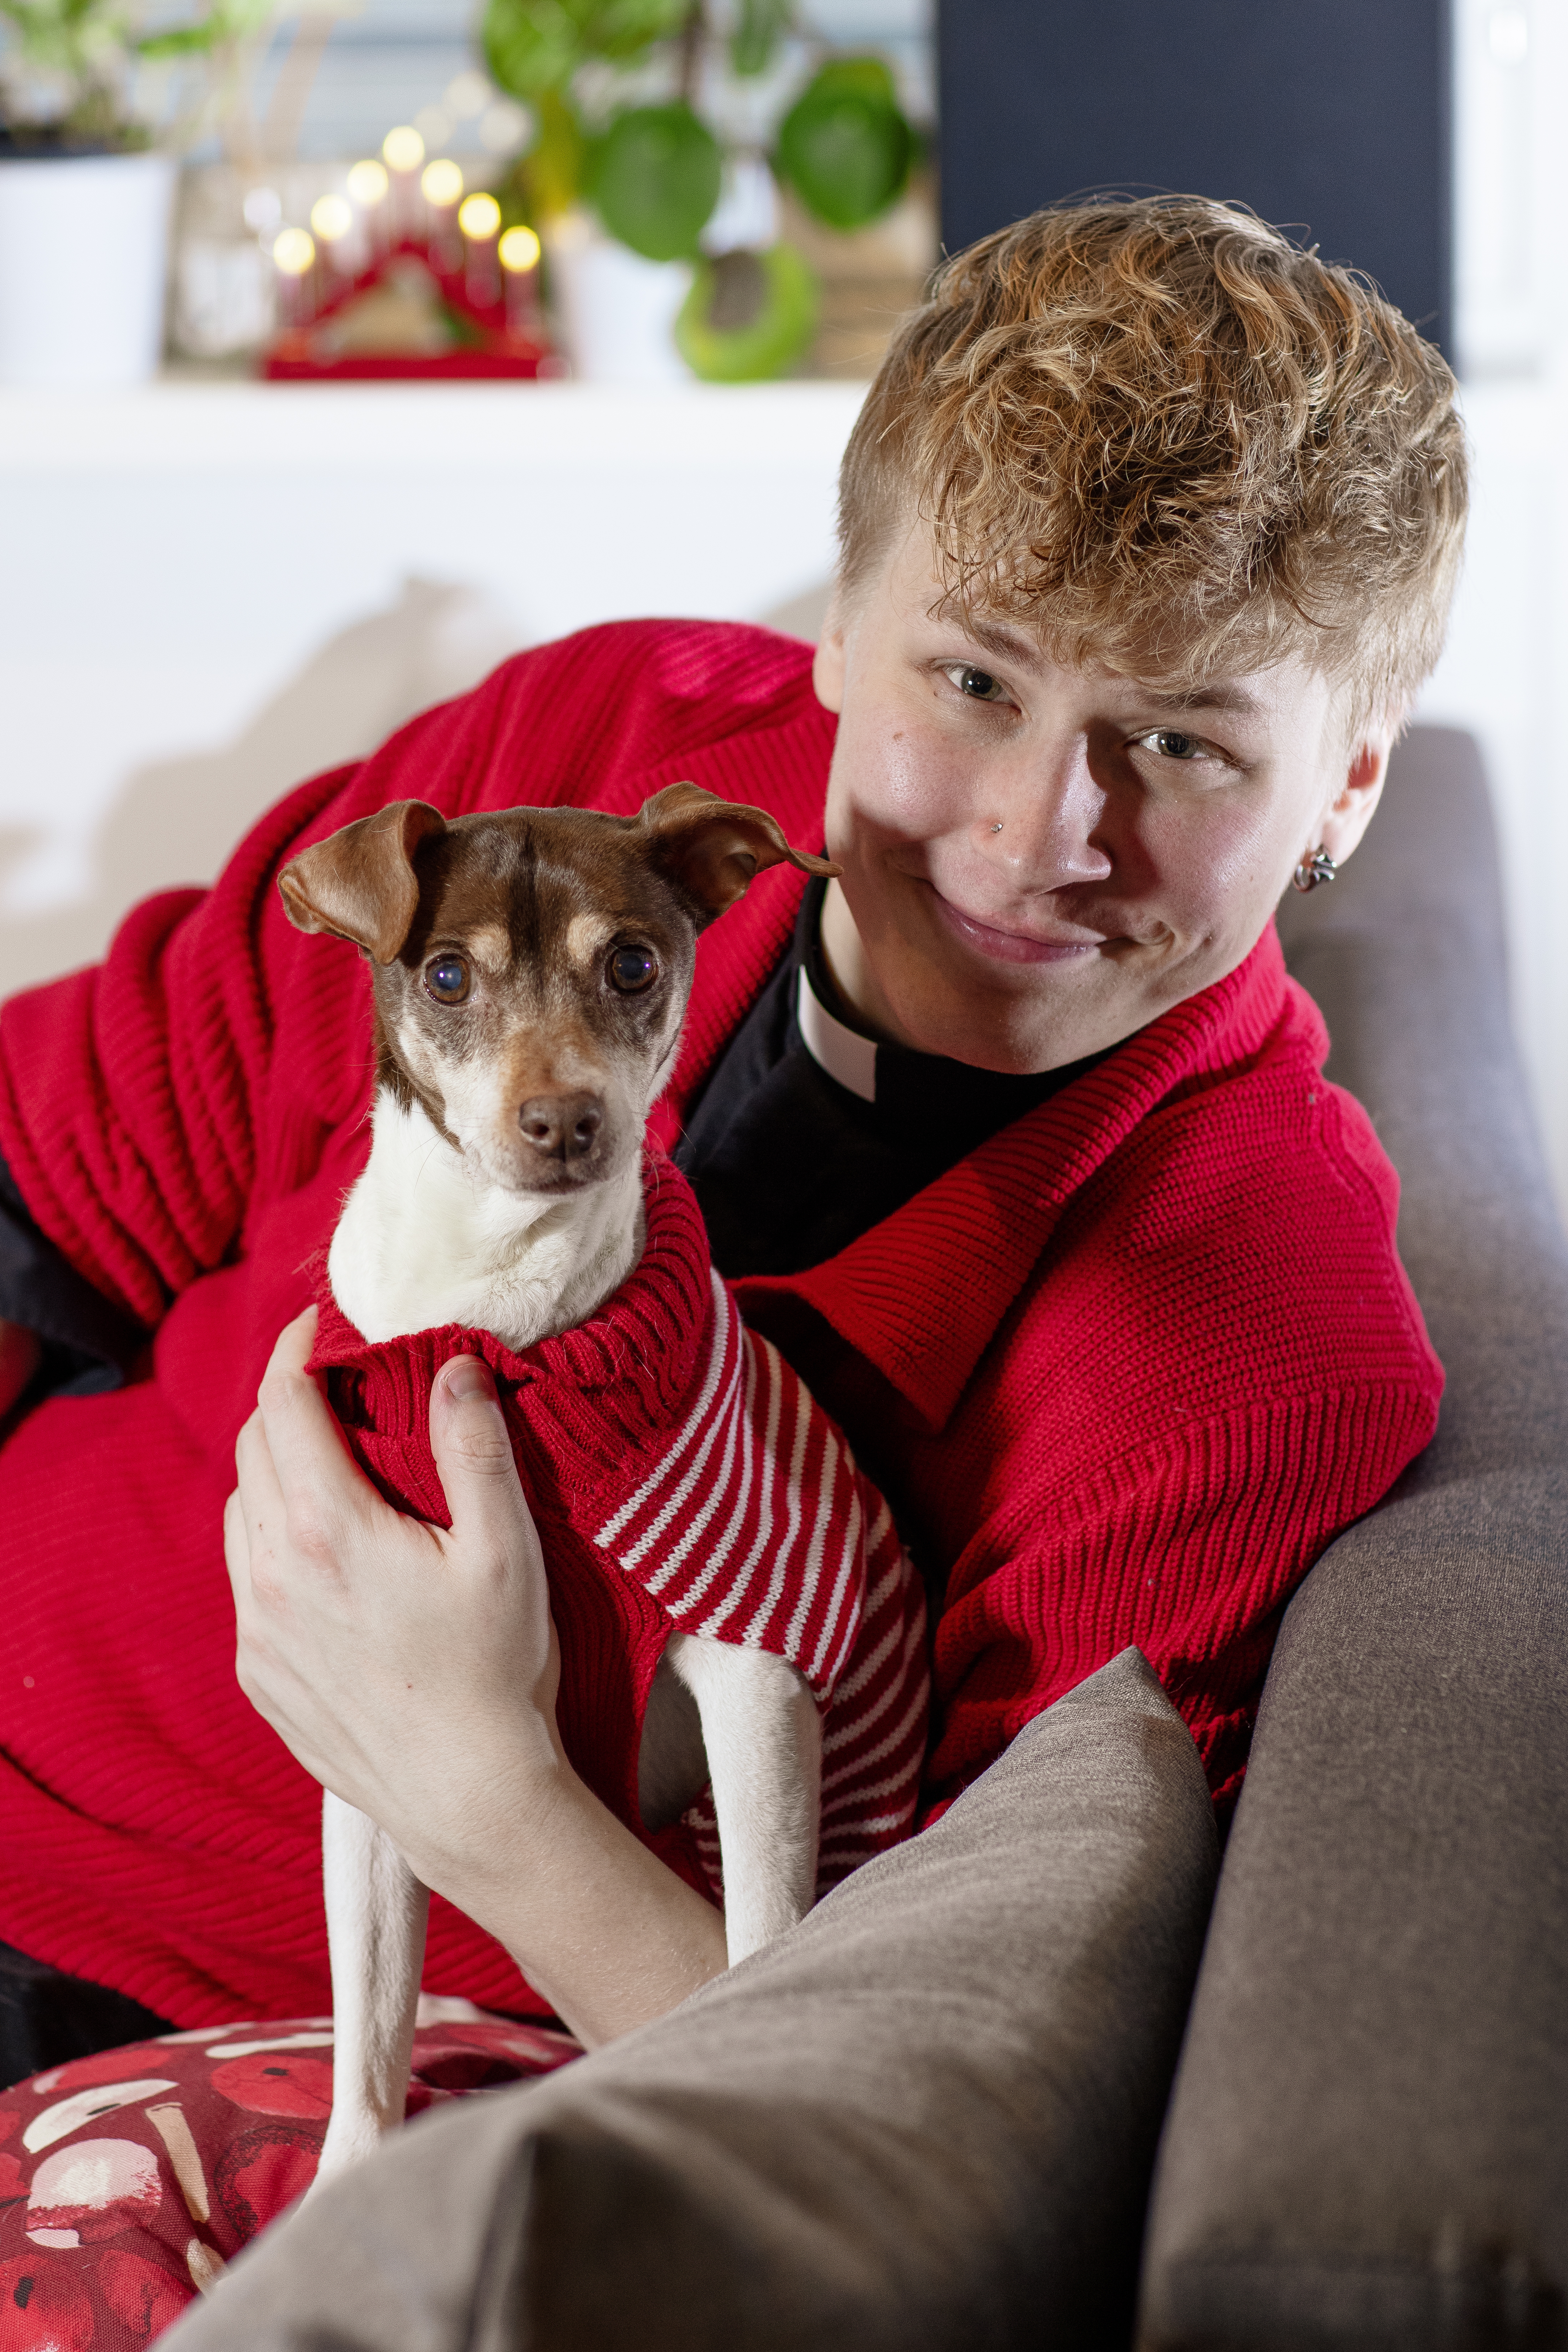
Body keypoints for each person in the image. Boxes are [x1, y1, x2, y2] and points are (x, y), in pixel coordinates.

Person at [0, 198, 1464, 2082]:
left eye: (1178, 745)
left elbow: (943, 2096)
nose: (1030, 839)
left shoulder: (1253, 1346)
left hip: (200, 2027)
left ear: (1346, 779)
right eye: (974, 683)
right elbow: (63, 1154)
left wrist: (486, 1802)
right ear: (842, 630)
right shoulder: (608, 743)